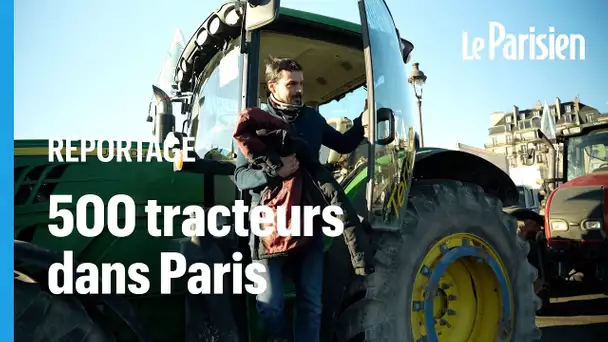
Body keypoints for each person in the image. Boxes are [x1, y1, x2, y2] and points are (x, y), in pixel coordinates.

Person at [233, 57, 372, 342]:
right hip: (268, 229)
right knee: (269, 305)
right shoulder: (254, 123)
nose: (299, 90)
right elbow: (240, 177)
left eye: (301, 84)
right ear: (273, 86)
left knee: (312, 304)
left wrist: (362, 122)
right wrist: (276, 172)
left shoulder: (311, 119)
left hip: (309, 225)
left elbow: (344, 145)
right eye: (291, 84)